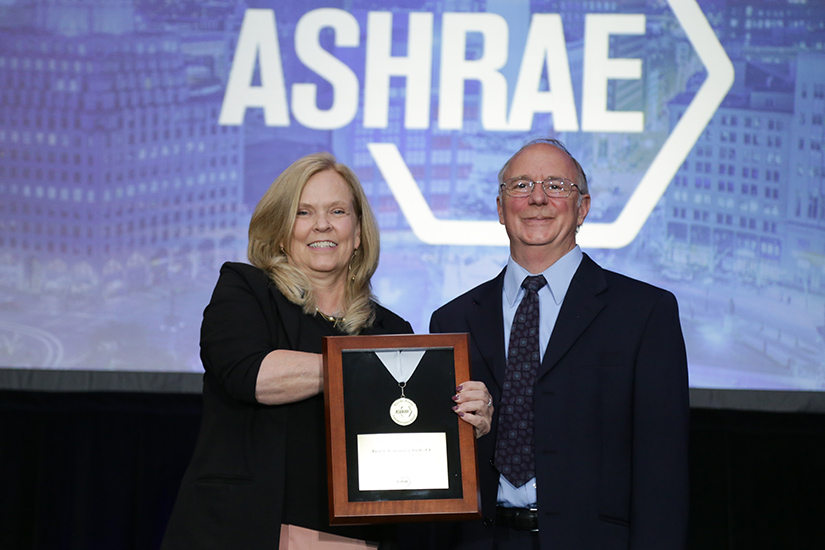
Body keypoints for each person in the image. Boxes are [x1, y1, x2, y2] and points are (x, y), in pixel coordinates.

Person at [161, 152, 493, 550]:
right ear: (282, 232)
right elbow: (251, 376)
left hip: (358, 539)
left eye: (337, 211)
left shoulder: (391, 331)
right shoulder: (246, 290)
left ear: (357, 235)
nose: (322, 224)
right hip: (249, 530)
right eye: (303, 212)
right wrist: (366, 372)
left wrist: (463, 418)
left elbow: (411, 433)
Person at [428, 138, 689, 549]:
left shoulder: (644, 313)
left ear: (582, 207)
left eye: (555, 185)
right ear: (500, 208)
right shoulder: (452, 320)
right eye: (520, 186)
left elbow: (663, 469)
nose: (537, 198)